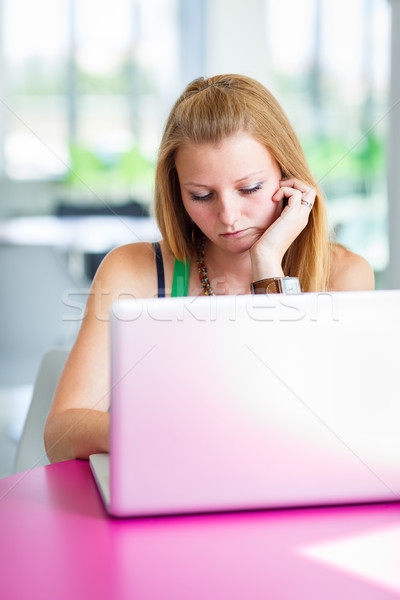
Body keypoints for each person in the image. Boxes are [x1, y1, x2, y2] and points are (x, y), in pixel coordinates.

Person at [44, 74, 374, 463]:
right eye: (201, 195)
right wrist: (162, 431)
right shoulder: (133, 270)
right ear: (176, 191)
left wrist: (267, 264)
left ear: (287, 175)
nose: (228, 217)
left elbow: (315, 424)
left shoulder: (346, 275)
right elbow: (60, 434)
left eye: (250, 188)